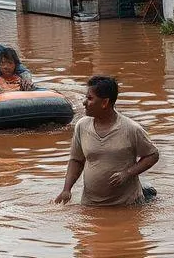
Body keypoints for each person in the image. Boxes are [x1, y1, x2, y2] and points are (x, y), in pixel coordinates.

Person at [54, 75, 160, 206]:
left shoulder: (131, 129)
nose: (84, 102)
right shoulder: (82, 126)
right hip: (90, 204)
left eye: (90, 98)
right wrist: (66, 189)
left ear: (105, 103)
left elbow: (153, 155)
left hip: (127, 205)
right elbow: (76, 160)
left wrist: (127, 173)